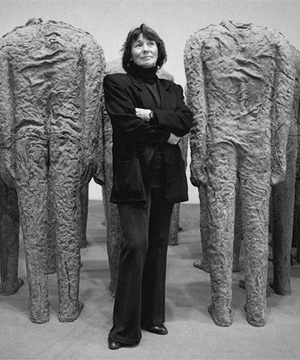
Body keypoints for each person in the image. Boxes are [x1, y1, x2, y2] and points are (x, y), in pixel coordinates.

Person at [103, 24, 193, 349]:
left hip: (166, 176)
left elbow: (186, 121)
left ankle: (152, 317)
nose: (145, 48)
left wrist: (150, 115)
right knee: (135, 245)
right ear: (129, 53)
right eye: (138, 44)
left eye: (150, 44)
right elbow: (125, 124)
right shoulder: (116, 83)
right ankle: (124, 331)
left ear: (159, 50)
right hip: (133, 176)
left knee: (157, 246)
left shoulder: (174, 90)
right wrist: (165, 129)